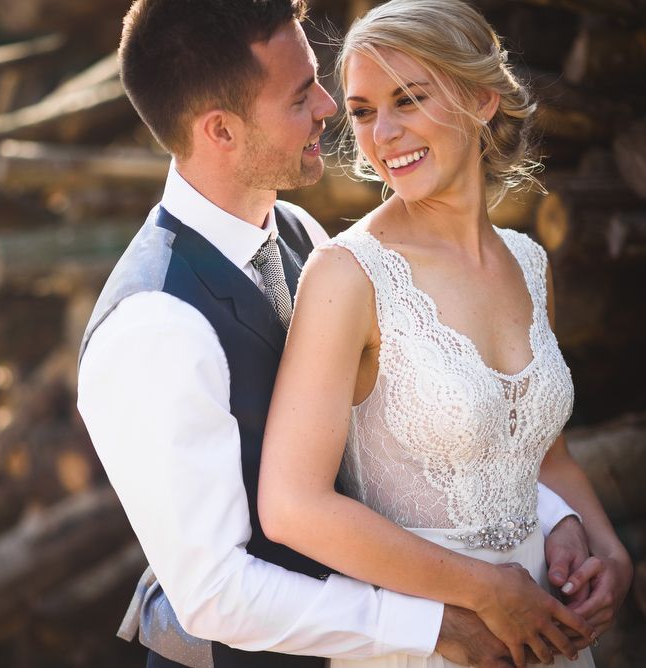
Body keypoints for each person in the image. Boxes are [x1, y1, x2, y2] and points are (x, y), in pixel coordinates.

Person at [76, 1, 605, 667]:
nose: (329, 107)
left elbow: (410, 452)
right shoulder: (152, 326)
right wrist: (433, 626)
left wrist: (559, 519)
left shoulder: (301, 236)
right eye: (301, 97)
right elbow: (215, 594)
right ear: (221, 130)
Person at [258, 1, 633, 666]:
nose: (384, 133)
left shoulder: (528, 262)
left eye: (409, 100)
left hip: (548, 633)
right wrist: (487, 592)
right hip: (431, 644)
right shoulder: (348, 276)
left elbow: (544, 457)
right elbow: (291, 505)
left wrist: (607, 550)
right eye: (366, 110)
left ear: (483, 99)